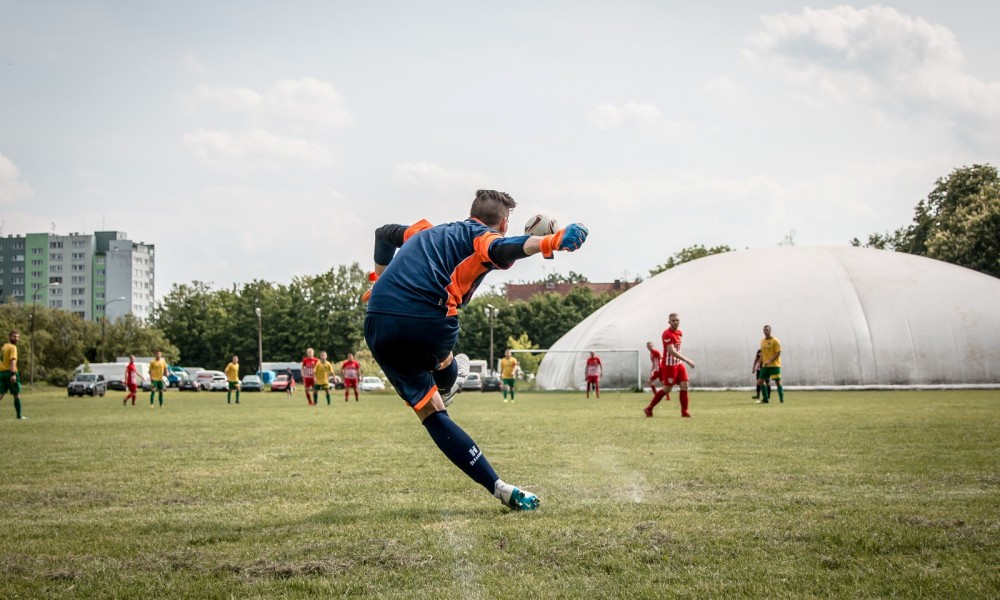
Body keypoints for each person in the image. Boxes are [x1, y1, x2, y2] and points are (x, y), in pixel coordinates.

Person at [364, 189, 588, 511]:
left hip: (378, 323)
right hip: (428, 319)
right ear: (504, 221)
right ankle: (449, 377)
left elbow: (383, 235)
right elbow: (505, 246)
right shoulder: (483, 237)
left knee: (431, 412)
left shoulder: (426, 230)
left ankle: (501, 488)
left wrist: (379, 283)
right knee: (440, 349)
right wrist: (550, 242)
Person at [644, 313, 695, 418]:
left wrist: (682, 361)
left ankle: (684, 412)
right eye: (673, 320)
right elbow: (671, 351)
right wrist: (687, 360)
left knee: (685, 385)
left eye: (677, 320)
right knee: (667, 389)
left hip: (679, 365)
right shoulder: (667, 334)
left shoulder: (679, 333)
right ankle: (649, 408)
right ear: (669, 322)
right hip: (669, 366)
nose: (675, 322)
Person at [0, 330, 25, 420]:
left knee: (1, 395)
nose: (16, 339)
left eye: (18, 337)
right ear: (10, 337)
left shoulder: (4, 346)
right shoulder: (13, 347)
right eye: (14, 337)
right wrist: (13, 374)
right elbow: (13, 361)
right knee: (16, 394)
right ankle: (19, 416)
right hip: (9, 373)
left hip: (1, 373)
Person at [757, 325, 784, 403]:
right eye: (764, 330)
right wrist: (759, 362)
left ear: (770, 331)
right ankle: (765, 399)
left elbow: (778, 353)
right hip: (765, 366)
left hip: (774, 365)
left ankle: (781, 400)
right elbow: (762, 353)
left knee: (778, 382)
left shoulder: (775, 340)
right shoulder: (762, 341)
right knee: (760, 381)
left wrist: (769, 360)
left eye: (767, 330)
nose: (765, 331)